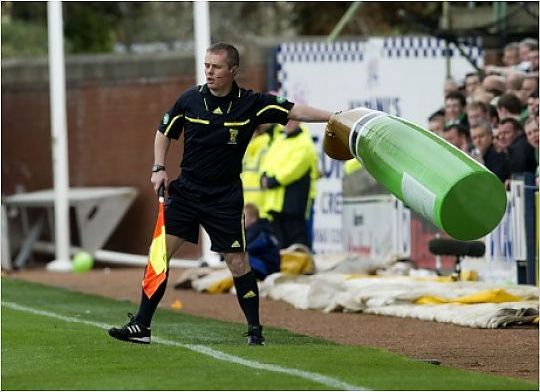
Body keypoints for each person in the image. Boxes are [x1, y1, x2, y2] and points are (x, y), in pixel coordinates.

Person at [108, 42, 333, 346]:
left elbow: (295, 110)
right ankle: (142, 326)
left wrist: (335, 117)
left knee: (237, 263)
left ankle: (255, 330)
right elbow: (164, 132)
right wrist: (158, 168)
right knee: (158, 254)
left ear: (233, 71)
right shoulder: (190, 99)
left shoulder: (252, 103)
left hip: (224, 198)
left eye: (215, 67)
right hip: (186, 193)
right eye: (207, 66)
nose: (209, 72)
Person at [259, 119, 317, 249]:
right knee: (280, 243)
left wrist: (272, 181)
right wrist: (263, 176)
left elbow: (293, 169)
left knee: (297, 241)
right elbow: (267, 161)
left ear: (299, 122)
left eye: (292, 120)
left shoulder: (304, 143)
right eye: (285, 120)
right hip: (276, 202)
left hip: (293, 201)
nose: (287, 123)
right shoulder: (280, 139)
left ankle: (300, 268)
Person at [243, 203, 280, 280]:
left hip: (267, 268)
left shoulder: (261, 231)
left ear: (253, 219)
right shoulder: (252, 230)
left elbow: (253, 247)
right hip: (262, 265)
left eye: (244, 217)